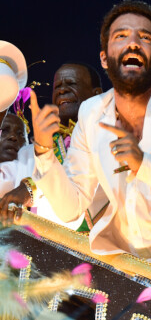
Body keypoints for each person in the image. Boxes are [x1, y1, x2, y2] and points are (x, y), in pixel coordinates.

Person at [1, 0, 151, 304]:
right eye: (121, 36)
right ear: (104, 58)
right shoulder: (91, 114)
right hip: (126, 276)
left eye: (145, 38)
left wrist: (146, 165)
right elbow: (72, 206)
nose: (134, 43)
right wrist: (45, 152)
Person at [0, 62, 103, 229]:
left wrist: (30, 189)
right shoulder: (30, 153)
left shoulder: (110, 135)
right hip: (45, 248)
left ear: (96, 94)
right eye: (57, 87)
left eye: (71, 84)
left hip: (109, 250)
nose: (62, 90)